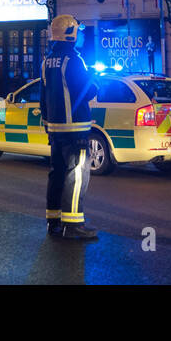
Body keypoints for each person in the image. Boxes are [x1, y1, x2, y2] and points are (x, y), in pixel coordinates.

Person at [40, 14, 99, 241]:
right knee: (76, 176)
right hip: (76, 129)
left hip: (55, 131)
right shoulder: (73, 61)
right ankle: (73, 225)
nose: (79, 35)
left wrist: (48, 125)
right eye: (77, 31)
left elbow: (43, 97)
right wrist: (94, 79)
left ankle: (53, 221)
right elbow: (87, 90)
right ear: (70, 34)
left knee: (56, 174)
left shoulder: (47, 61)